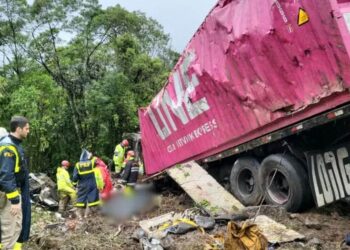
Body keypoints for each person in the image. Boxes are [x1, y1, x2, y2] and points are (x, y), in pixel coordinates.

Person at [0, 116, 30, 250]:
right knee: (10, 230)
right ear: (18, 129)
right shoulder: (8, 147)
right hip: (8, 195)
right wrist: (15, 200)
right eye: (27, 128)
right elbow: (6, 176)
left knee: (15, 226)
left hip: (11, 193)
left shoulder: (13, 144)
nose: (28, 131)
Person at [72, 150, 101, 219]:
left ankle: (80, 216)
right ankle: (86, 215)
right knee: (91, 199)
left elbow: (75, 176)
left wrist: (74, 184)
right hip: (92, 184)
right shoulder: (91, 162)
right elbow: (96, 160)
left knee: (81, 199)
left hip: (82, 184)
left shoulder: (77, 164)